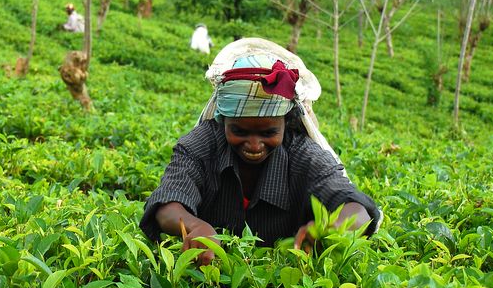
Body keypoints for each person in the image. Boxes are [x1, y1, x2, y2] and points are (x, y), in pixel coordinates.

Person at [140, 38, 381, 265]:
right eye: (239, 131)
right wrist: (194, 227)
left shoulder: (302, 153)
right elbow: (167, 202)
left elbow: (356, 208)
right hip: (208, 279)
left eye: (268, 133)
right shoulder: (202, 144)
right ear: (223, 119)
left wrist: (333, 228)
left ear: (286, 123)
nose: (254, 145)